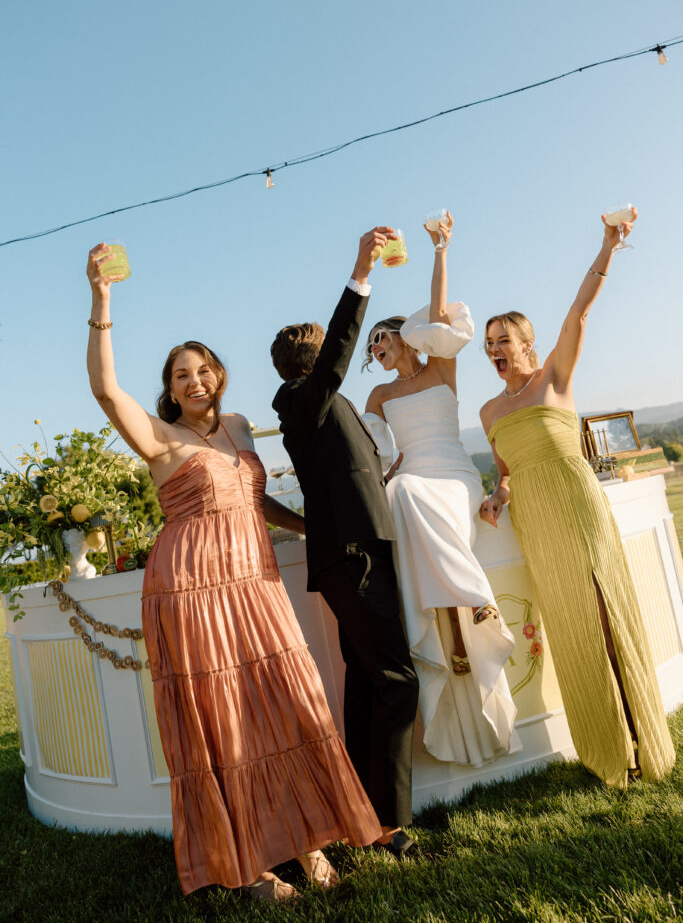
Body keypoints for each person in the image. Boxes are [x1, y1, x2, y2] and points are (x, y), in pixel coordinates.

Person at [86, 243, 382, 903]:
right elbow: (106, 389)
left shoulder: (243, 427)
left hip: (255, 583)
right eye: (180, 376)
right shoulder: (160, 441)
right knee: (223, 722)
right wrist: (102, 300)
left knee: (286, 705)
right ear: (169, 390)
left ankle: (307, 841)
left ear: (219, 375)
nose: (194, 382)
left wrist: (311, 527)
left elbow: (255, 501)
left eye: (202, 370)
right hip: (190, 590)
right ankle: (248, 867)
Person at [479, 209, 675, 788]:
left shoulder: (553, 379)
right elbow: (507, 472)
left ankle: (644, 738)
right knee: (572, 627)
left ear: (528, 344)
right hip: (537, 523)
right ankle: (608, 749)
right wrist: (497, 497)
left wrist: (608, 245)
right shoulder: (488, 412)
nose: (494, 349)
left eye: (503, 340)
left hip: (579, 506)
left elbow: (579, 311)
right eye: (488, 344)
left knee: (608, 613)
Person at [271, 227, 420, 860]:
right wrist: (361, 273)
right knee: (398, 682)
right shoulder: (299, 400)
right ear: (311, 364)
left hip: (359, 549)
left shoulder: (325, 410)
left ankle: (361, 814)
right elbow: (338, 349)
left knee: (366, 681)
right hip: (353, 559)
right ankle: (389, 824)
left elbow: (344, 473)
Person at [362, 213, 518, 766]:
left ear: (404, 335)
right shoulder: (378, 397)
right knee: (401, 491)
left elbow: (439, 312)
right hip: (410, 481)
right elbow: (376, 456)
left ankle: (474, 602)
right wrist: (388, 474)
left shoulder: (441, 369)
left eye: (381, 338)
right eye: (371, 348)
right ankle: (467, 607)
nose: (375, 348)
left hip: (453, 476)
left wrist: (440, 250)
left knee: (409, 492)